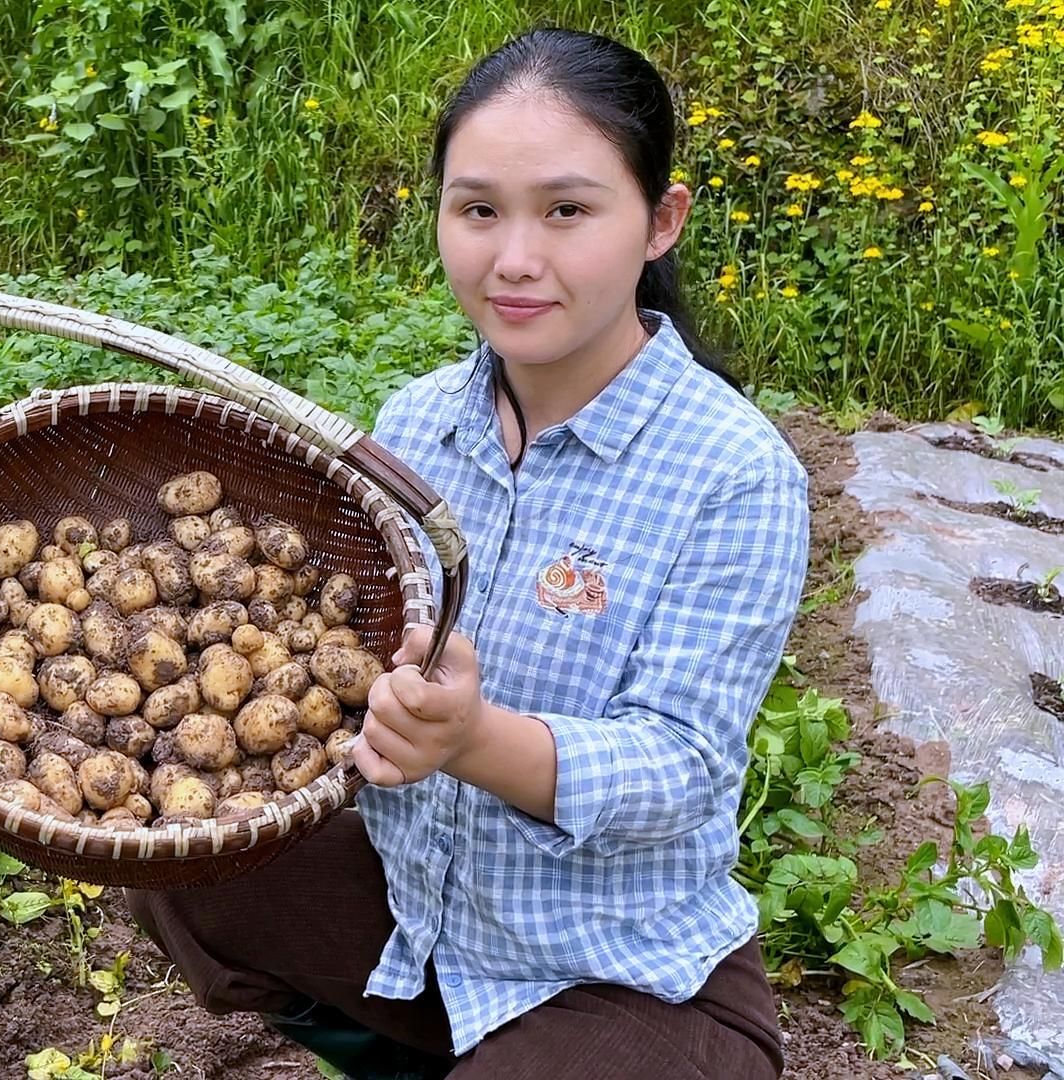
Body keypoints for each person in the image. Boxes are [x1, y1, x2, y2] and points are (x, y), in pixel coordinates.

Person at [126, 26, 809, 1080]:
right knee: (183, 867)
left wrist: (474, 738)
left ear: (659, 222)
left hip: (619, 971)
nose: (515, 258)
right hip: (425, 915)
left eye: (568, 210)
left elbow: (682, 767)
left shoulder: (733, 472)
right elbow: (339, 637)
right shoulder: (418, 422)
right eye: (479, 209)